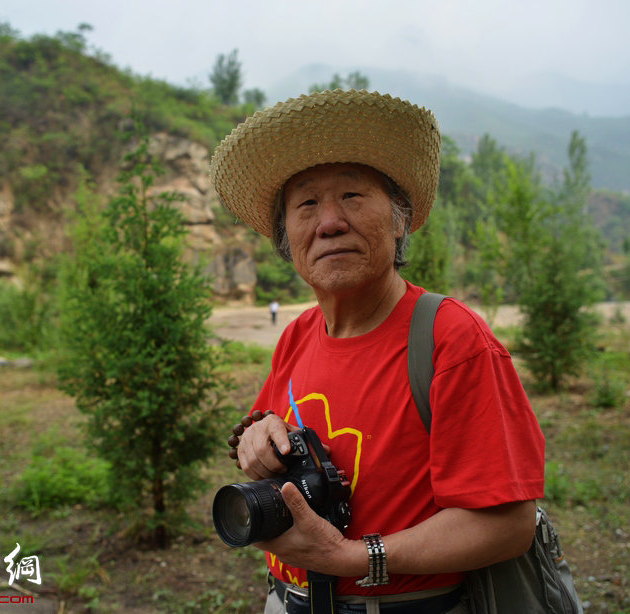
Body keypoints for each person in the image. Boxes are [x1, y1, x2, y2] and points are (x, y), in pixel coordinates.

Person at [210, 89, 545, 614]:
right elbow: (272, 424)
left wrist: (350, 556)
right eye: (305, 204)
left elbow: (508, 525)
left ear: (400, 218)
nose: (329, 222)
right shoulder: (298, 334)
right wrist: (256, 437)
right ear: (286, 239)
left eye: (352, 196)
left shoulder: (448, 338)